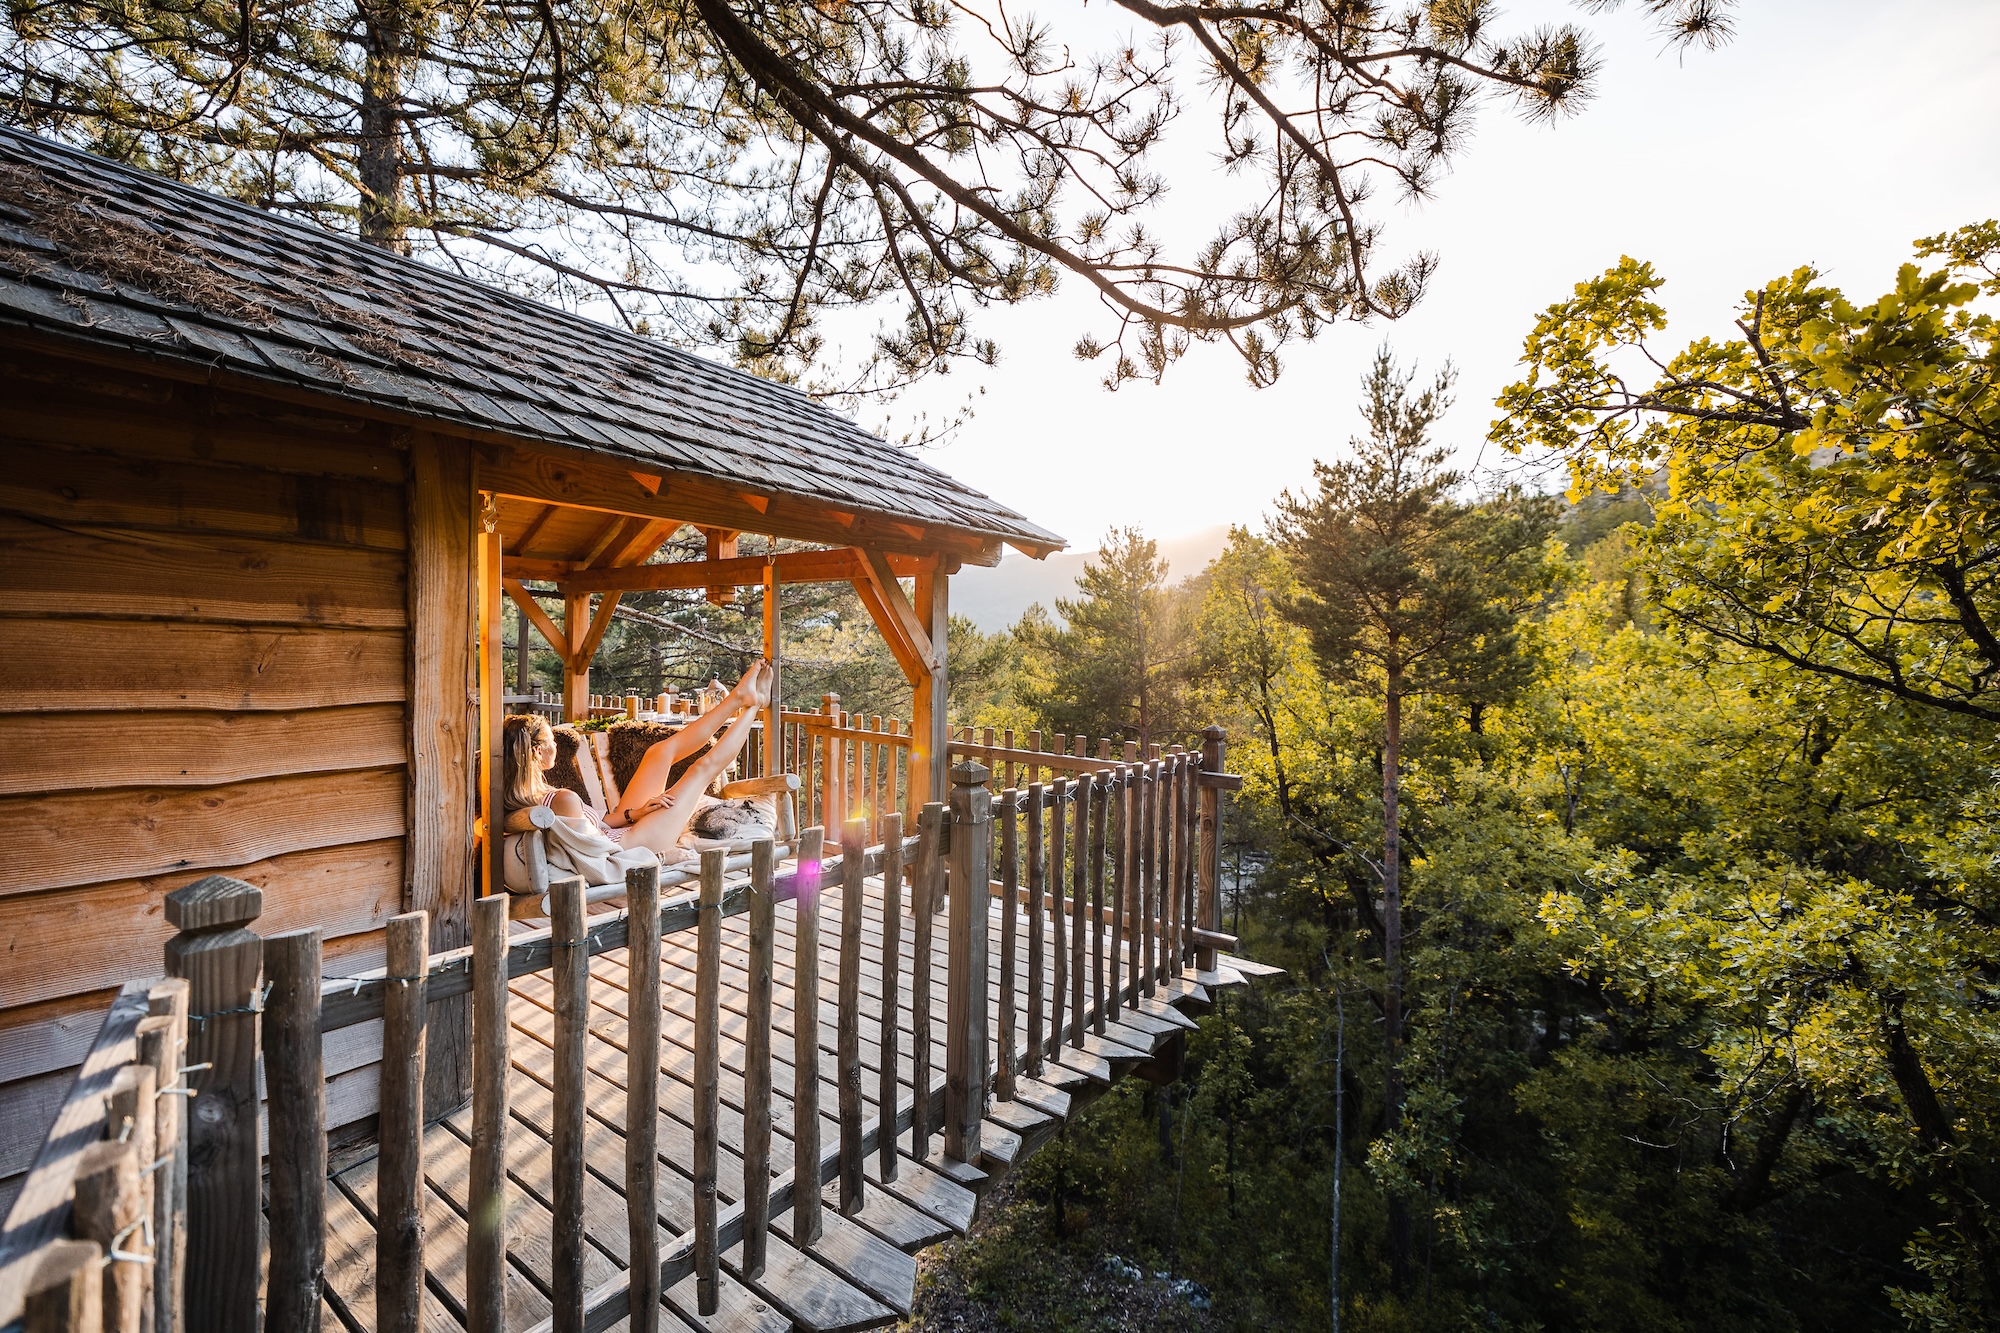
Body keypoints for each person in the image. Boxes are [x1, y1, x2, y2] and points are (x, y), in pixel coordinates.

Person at [502, 659, 773, 862]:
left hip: (624, 830)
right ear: (537, 752)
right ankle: (753, 706)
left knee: (659, 752)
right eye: (551, 741)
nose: (555, 747)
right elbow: (595, 851)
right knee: (700, 769)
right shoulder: (562, 800)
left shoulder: (527, 795)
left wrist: (637, 813)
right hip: (632, 844)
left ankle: (739, 697)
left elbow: (600, 824)